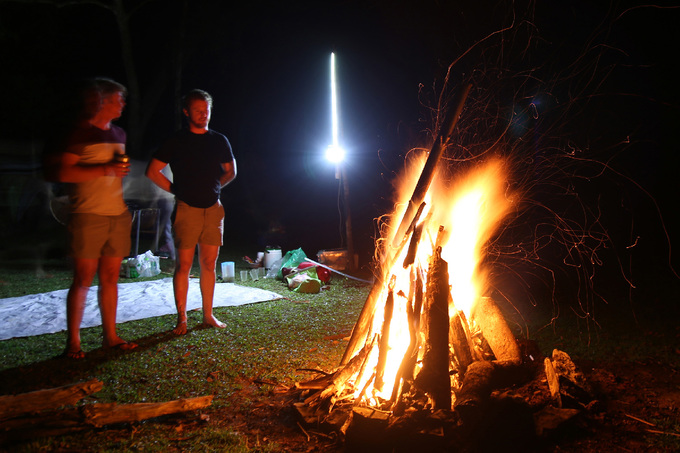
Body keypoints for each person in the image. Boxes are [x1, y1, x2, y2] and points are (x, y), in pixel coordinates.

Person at [57, 77, 138, 358]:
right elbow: (65, 174)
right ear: (101, 100)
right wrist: (105, 169)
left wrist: (115, 174)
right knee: (82, 278)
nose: (123, 104)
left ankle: (110, 336)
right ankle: (74, 343)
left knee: (111, 277)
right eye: (118, 99)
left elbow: (116, 172)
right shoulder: (79, 133)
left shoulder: (119, 134)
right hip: (87, 214)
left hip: (116, 214)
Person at [146, 89, 237, 335]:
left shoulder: (219, 140)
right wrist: (175, 189)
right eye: (198, 110)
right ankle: (182, 318)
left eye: (206, 110)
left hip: (213, 209)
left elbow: (231, 170)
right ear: (186, 112)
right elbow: (153, 171)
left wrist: (217, 186)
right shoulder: (176, 141)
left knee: (209, 262)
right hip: (187, 209)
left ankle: (208, 314)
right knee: (184, 265)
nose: (203, 114)